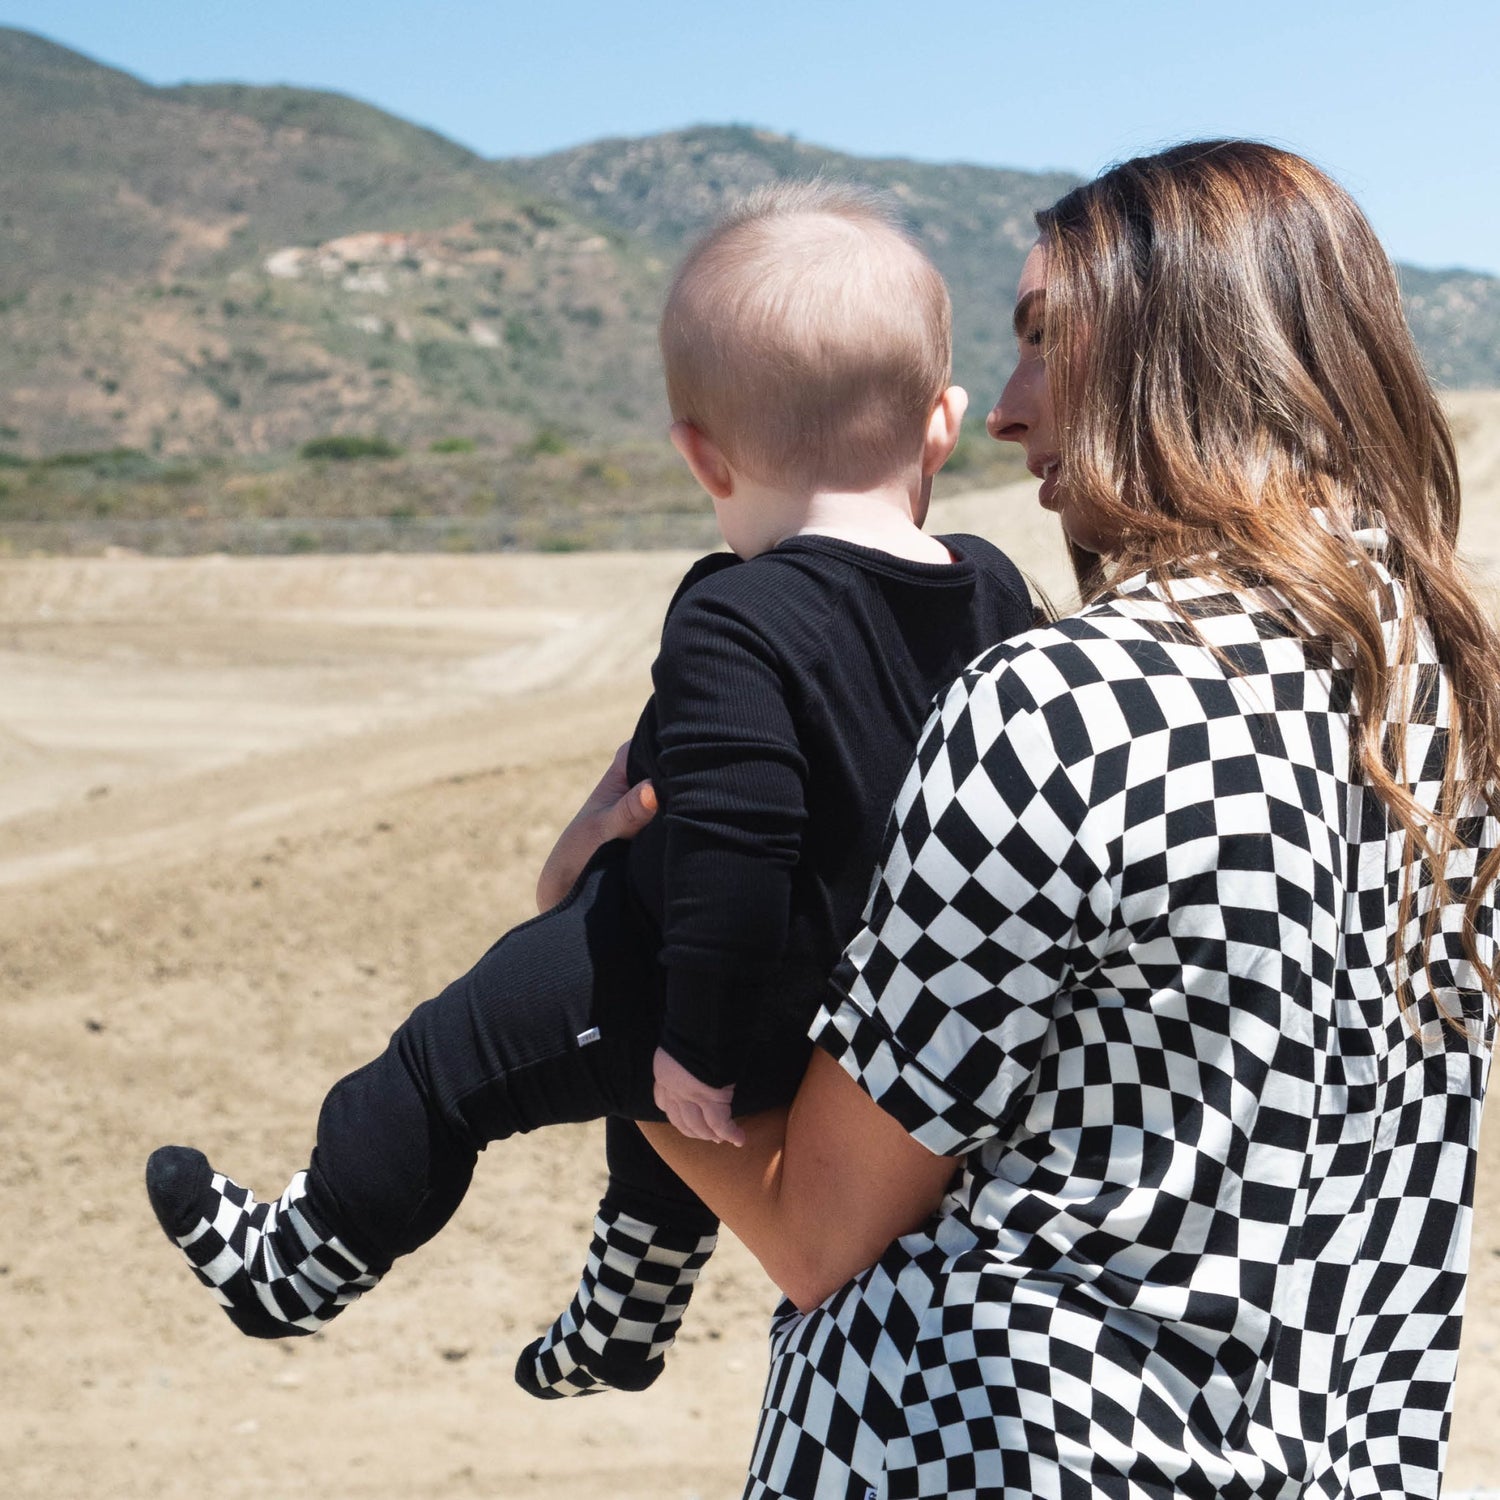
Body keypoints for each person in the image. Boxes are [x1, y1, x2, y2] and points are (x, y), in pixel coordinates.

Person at [634, 141, 1500, 1499]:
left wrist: (601, 977)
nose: (1005, 411)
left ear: (1186, 360)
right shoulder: (1447, 708)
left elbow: (817, 1229)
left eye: (1047, 340)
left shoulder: (1065, 705)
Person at [141, 182, 1038, 1401]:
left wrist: (701, 1042)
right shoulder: (990, 586)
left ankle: (298, 1262)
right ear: (940, 425)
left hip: (737, 994)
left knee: (440, 1063)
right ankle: (626, 1314)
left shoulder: (732, 612)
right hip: (876, 1012)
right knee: (641, 1063)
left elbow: (739, 838)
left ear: (700, 454)